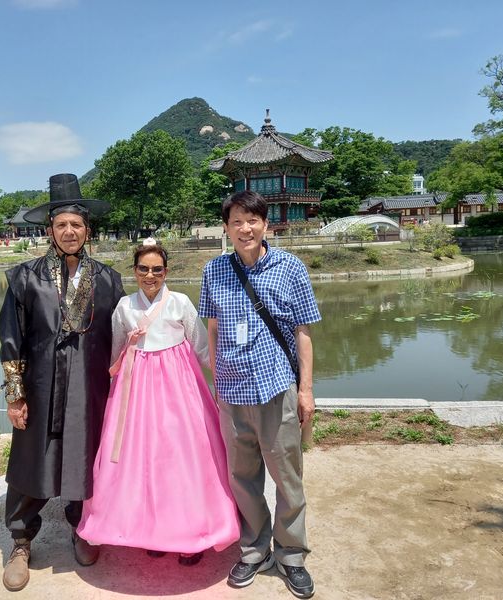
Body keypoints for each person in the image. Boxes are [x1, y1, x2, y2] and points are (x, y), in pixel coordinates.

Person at [0, 173, 125, 592]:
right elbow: (11, 339)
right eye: (61, 225)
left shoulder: (108, 279)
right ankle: (20, 540)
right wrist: (15, 398)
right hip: (39, 387)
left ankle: (82, 527)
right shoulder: (24, 278)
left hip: (90, 390)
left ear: (88, 229)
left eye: (76, 225)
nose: (69, 232)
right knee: (31, 460)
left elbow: (121, 338)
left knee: (84, 458)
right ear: (49, 229)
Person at [77, 239, 239, 565]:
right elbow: (116, 352)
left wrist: (226, 379)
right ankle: (151, 531)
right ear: (134, 271)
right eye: (143, 269)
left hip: (180, 388)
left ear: (166, 271)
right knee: (144, 460)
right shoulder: (124, 307)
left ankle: (191, 536)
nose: (150, 276)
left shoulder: (179, 302)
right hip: (137, 390)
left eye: (157, 269)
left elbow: (201, 347)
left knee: (183, 459)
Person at [198, 190, 321, 599]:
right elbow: (212, 329)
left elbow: (304, 333)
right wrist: (216, 382)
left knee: (287, 475)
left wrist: (306, 390)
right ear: (227, 228)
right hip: (232, 391)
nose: (245, 228)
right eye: (236, 221)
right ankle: (255, 549)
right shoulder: (214, 271)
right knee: (242, 476)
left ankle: (290, 553)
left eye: (252, 220)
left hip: (276, 388)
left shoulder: (291, 268)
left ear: (266, 224)